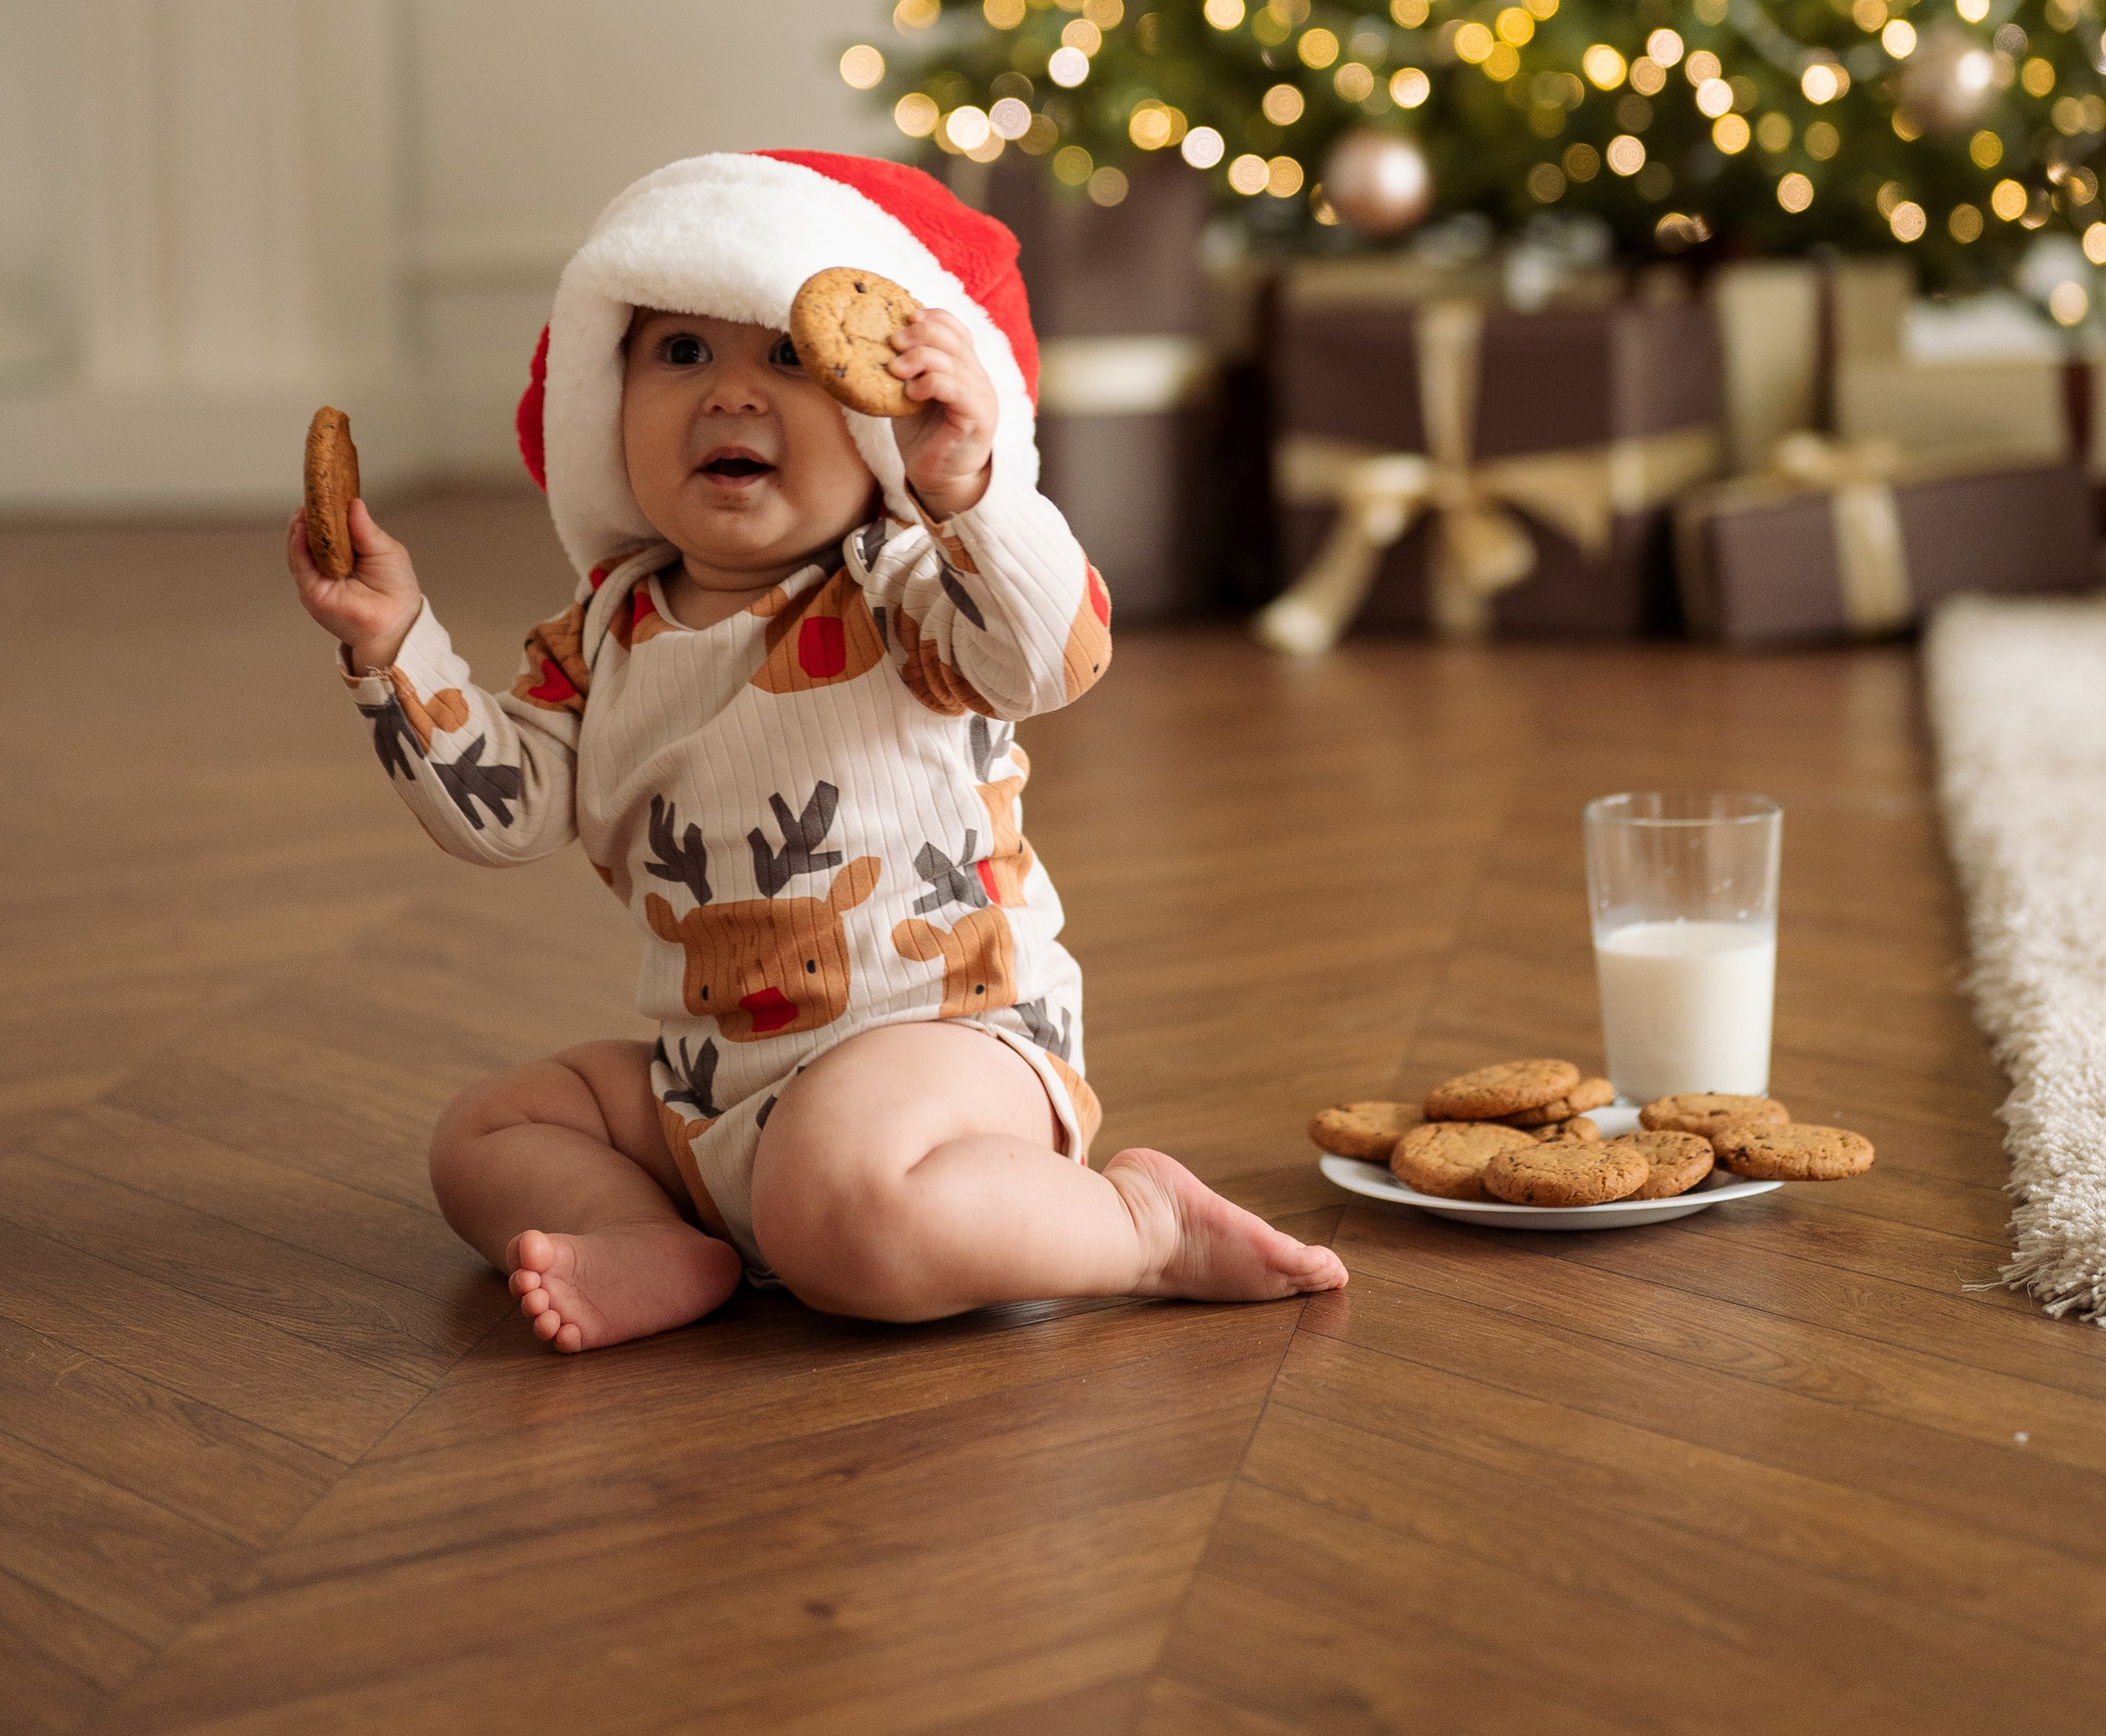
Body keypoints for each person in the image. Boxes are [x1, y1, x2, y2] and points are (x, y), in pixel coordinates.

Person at [289, 147, 1346, 1349]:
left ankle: (1140, 1226)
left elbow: (1056, 657)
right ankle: (653, 1237)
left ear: (887, 419)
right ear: (607, 407)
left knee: (839, 1202)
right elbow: (506, 811)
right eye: (680, 352)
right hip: (713, 1083)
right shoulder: (601, 633)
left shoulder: (900, 586)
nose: (732, 393)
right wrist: (395, 649)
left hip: (949, 1056)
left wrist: (971, 494)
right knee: (488, 1133)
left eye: (790, 356)